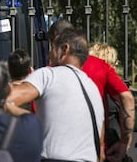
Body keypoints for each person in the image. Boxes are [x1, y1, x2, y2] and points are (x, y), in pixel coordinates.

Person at [8, 28, 105, 161]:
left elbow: (7, 98)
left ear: (65, 49)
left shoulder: (48, 75)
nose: (49, 56)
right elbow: (100, 143)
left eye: (52, 49)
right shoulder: (92, 87)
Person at [49, 19, 135, 162]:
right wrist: (125, 141)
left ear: (55, 42)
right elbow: (127, 98)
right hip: (97, 146)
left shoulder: (49, 73)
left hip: (62, 150)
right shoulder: (100, 65)